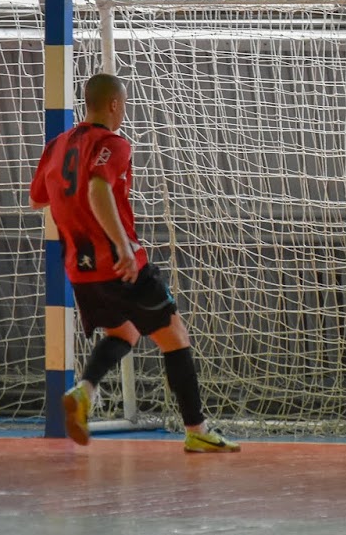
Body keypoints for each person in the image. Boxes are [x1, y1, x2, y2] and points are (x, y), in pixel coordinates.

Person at [30, 73, 239, 453]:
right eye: (123, 106)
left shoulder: (58, 145)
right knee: (175, 336)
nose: (123, 113)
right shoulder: (114, 144)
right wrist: (122, 245)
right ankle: (196, 429)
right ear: (113, 105)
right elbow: (97, 188)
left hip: (80, 271)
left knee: (123, 332)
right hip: (120, 265)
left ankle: (85, 390)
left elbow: (38, 198)